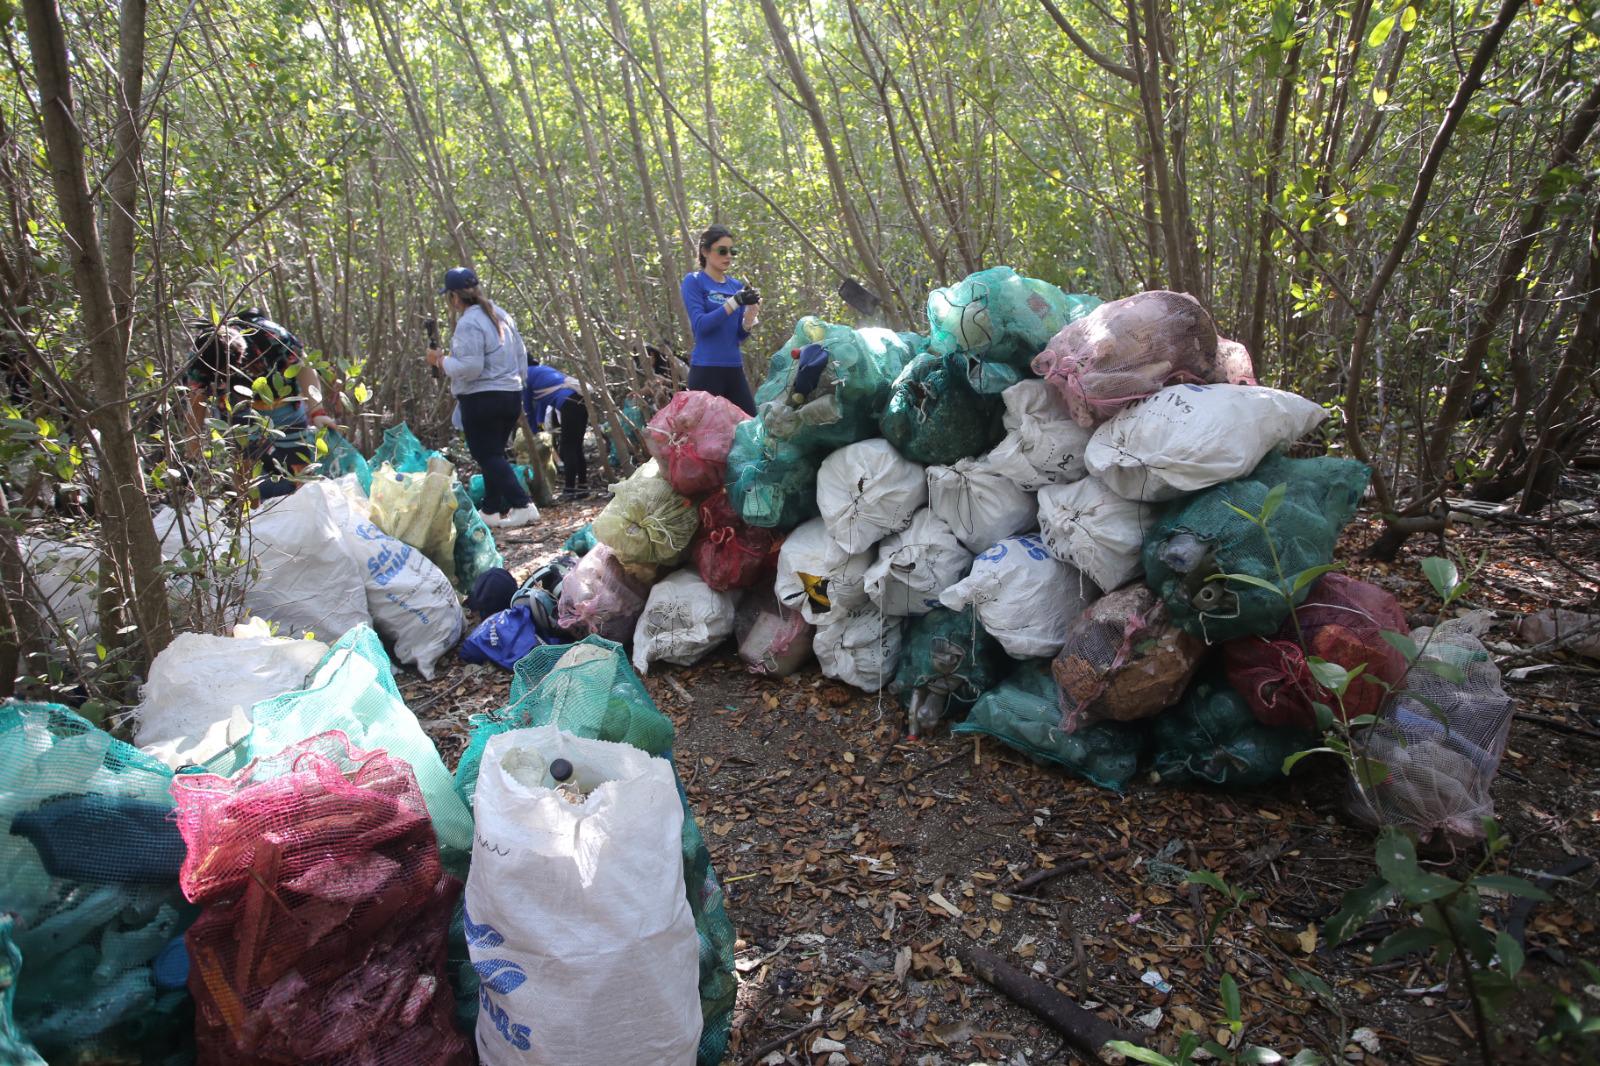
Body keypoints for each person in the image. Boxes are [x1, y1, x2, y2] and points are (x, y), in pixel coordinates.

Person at [427, 267, 537, 528]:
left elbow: (470, 368)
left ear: (454, 297)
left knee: (486, 454)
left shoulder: (469, 322)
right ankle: (490, 508)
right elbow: (521, 356)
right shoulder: (501, 315)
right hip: (510, 394)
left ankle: (523, 505)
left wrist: (441, 361)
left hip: (482, 399)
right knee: (494, 454)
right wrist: (518, 386)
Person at [185, 308, 336, 499]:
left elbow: (304, 368)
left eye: (234, 366)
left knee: (300, 462)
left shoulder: (270, 336)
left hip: (282, 402)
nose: (231, 372)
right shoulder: (200, 357)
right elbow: (197, 400)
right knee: (245, 466)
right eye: (222, 372)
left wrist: (317, 411)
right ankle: (252, 517)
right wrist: (192, 453)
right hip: (238, 408)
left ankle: (308, 504)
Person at [679, 224, 760, 415]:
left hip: (733, 369)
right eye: (722, 251)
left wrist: (750, 317)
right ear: (705, 251)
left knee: (751, 427)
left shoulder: (735, 286)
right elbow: (701, 326)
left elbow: (738, 336)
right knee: (706, 438)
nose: (728, 256)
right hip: (706, 370)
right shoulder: (694, 281)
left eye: (733, 251)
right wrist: (734, 302)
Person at [523, 357, 590, 501]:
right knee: (577, 446)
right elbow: (541, 403)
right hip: (582, 402)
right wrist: (539, 426)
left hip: (569, 405)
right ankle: (583, 487)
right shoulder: (542, 371)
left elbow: (528, 408)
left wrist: (532, 432)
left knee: (568, 448)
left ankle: (570, 489)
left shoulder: (526, 375)